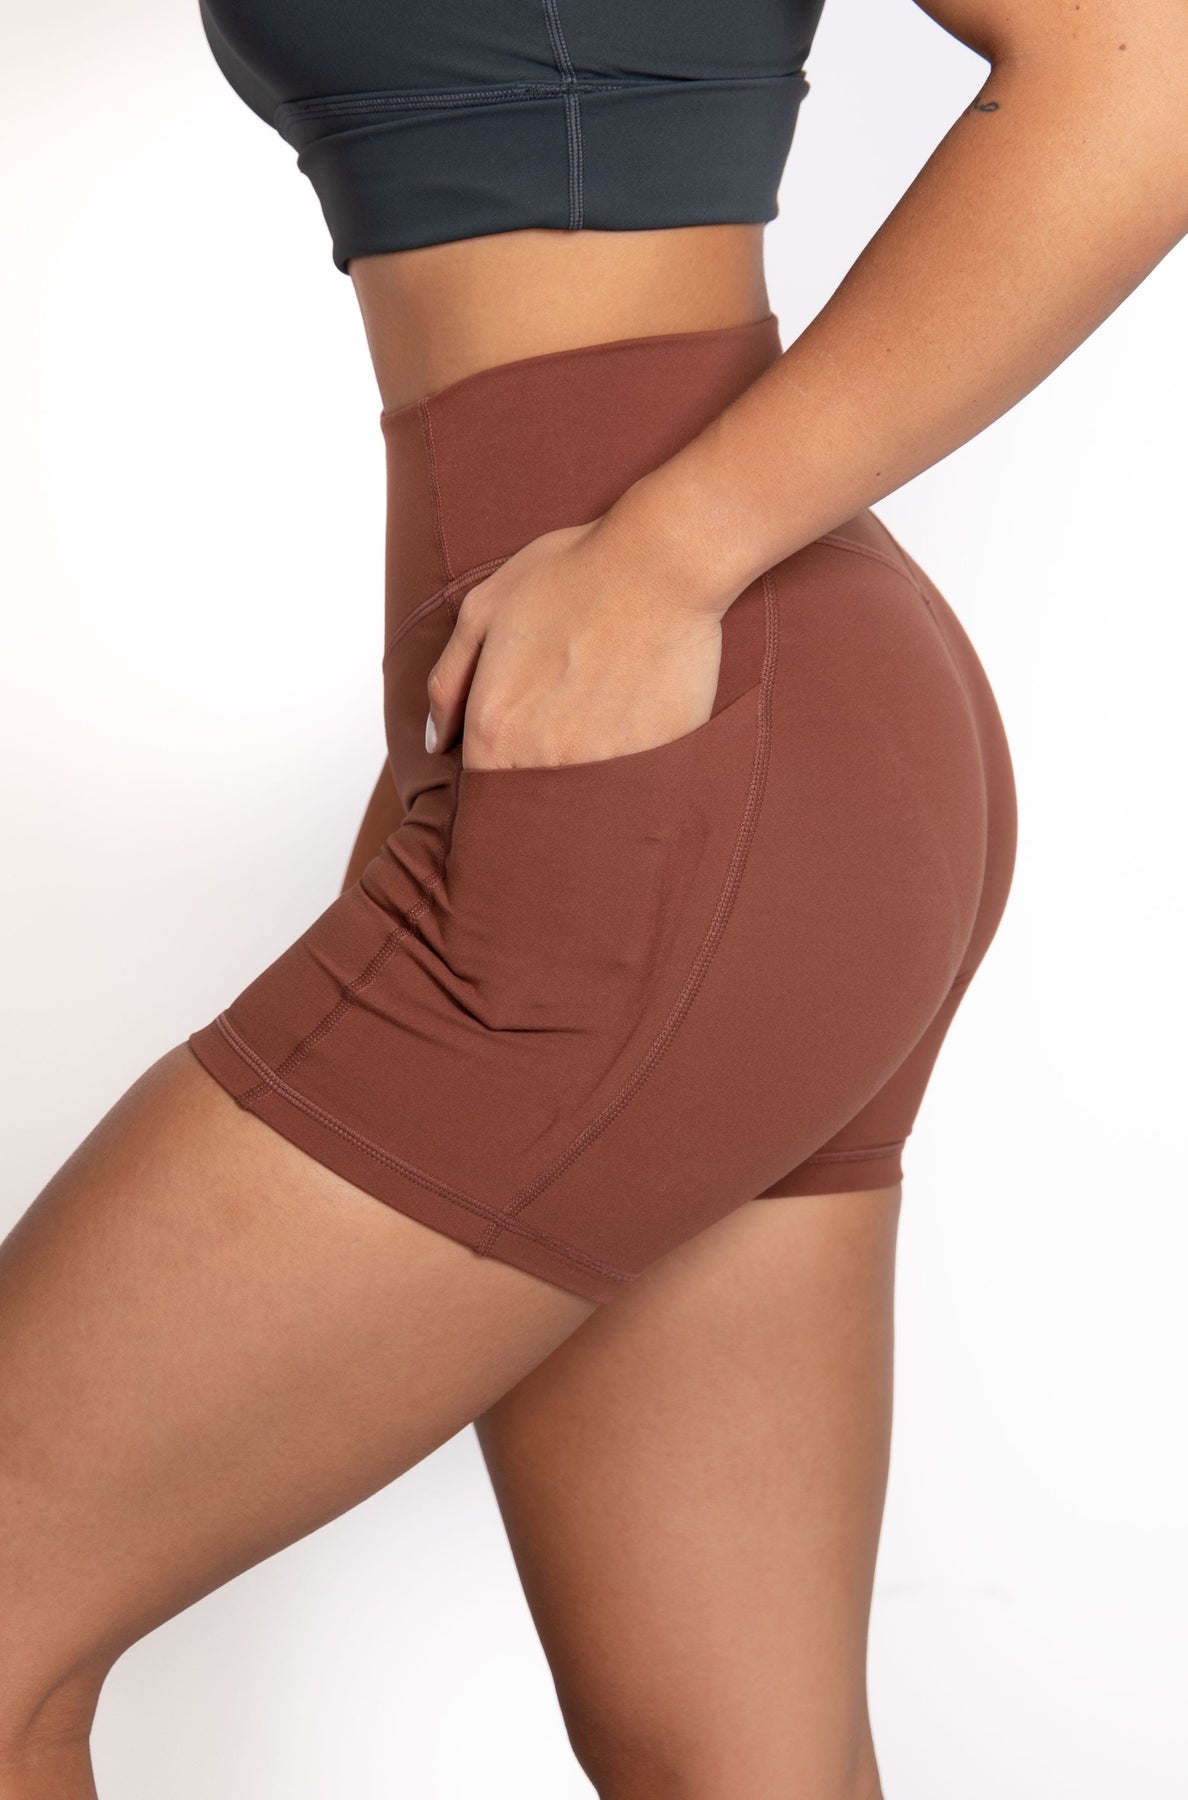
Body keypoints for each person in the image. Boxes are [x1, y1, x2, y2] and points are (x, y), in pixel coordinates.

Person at [2, 0, 1184, 1793]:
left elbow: (1148, 67)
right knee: (738, 1760)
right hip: (686, 743)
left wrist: (669, 555)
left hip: (670, 725)